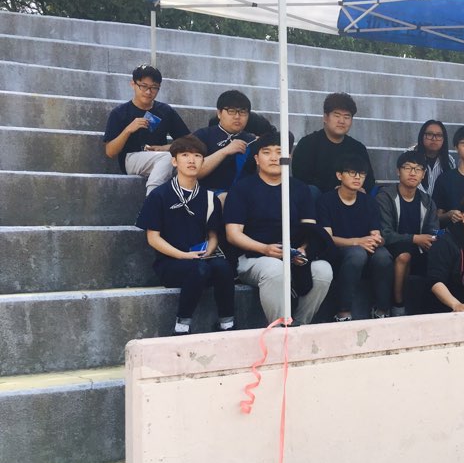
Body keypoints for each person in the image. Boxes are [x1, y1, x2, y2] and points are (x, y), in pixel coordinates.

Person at [225, 132, 334, 325]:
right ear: (257, 158)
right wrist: (264, 249)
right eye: (267, 152)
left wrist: (303, 251)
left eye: (279, 152)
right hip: (253, 257)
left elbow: (310, 230)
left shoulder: (300, 189)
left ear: (288, 158)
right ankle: (281, 328)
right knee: (275, 268)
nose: (274, 157)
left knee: (323, 271)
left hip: (292, 255)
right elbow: (233, 234)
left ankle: (300, 324)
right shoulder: (242, 188)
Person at [135, 135, 236, 336]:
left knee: (223, 267)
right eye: (185, 155)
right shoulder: (159, 195)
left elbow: (213, 235)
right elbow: (153, 238)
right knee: (197, 269)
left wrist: (209, 250)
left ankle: (227, 323)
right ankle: (182, 326)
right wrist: (183, 256)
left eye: (197, 156)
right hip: (171, 263)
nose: (191, 160)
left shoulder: (209, 198)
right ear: (174, 161)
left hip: (201, 259)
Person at [318, 155, 393, 321]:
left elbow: (375, 233)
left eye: (362, 174)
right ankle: (343, 311)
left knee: (383, 256)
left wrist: (377, 240)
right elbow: (326, 238)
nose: (357, 177)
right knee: (356, 254)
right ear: (339, 175)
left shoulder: (369, 202)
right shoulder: (326, 200)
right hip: (337, 252)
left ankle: (382, 310)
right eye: (352, 173)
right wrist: (358, 242)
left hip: (365, 249)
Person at [102, 64, 190, 195]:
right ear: (133, 84)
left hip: (161, 158)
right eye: (143, 86)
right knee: (167, 159)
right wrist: (128, 130)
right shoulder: (120, 113)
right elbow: (110, 152)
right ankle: (152, 201)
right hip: (131, 158)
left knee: (188, 165)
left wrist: (165, 148)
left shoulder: (165, 111)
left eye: (154, 88)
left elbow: (188, 140)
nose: (148, 92)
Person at [376, 151, 440, 315]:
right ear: (398, 171)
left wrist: (431, 239)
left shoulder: (427, 200)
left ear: (423, 174)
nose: (413, 173)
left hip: (418, 247)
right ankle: (398, 306)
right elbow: (385, 233)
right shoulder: (385, 197)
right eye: (408, 168)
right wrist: (415, 238)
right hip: (390, 246)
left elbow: (433, 229)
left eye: (418, 169)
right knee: (404, 255)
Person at [292, 92, 375, 195]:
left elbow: (369, 181)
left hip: (350, 198)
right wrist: (337, 191)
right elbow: (301, 178)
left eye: (347, 117)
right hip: (319, 199)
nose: (341, 121)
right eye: (337, 115)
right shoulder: (307, 144)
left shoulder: (358, 148)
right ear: (325, 118)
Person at [193, 89, 259, 196]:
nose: (237, 116)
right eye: (231, 111)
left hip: (242, 197)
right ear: (219, 113)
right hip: (204, 195)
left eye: (243, 112)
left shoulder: (252, 141)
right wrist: (225, 151)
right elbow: (193, 172)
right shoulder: (202, 136)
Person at [413, 119, 454, 196]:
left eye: (439, 135)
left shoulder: (449, 161)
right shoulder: (410, 156)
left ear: (444, 139)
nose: (434, 139)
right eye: (429, 134)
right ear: (422, 136)